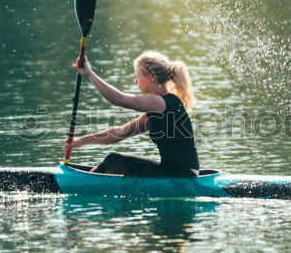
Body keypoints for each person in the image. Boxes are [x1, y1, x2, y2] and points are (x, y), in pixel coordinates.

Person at [66, 51, 200, 177]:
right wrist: (82, 141)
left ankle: (84, 181)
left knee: (113, 160)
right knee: (114, 160)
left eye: (138, 75)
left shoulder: (160, 102)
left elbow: (118, 99)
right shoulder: (158, 108)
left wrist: (90, 74)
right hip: (177, 172)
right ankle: (89, 178)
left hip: (182, 176)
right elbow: (120, 132)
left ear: (150, 77)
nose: (135, 81)